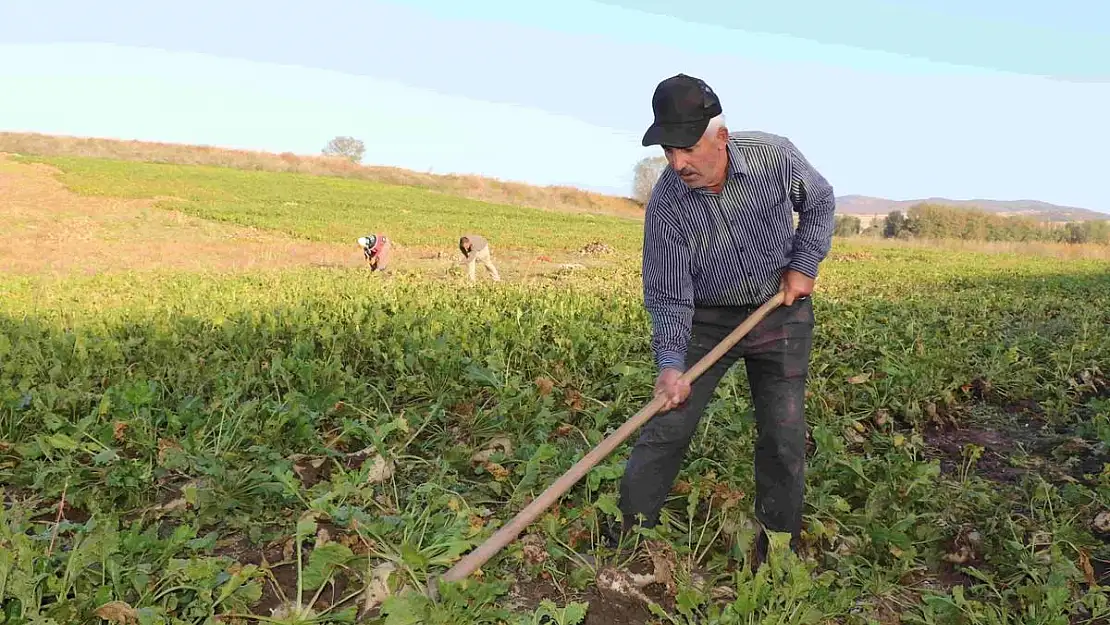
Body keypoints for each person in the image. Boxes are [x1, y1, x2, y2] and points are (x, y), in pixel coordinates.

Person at [614, 73, 836, 569]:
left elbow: (820, 201)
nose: (678, 162)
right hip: (707, 319)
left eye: (688, 148)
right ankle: (628, 541)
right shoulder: (669, 202)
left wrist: (804, 264)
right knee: (666, 424)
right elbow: (670, 294)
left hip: (778, 309)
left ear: (721, 136)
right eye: (669, 149)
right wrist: (671, 364)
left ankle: (776, 550)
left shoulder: (773, 157)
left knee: (783, 432)